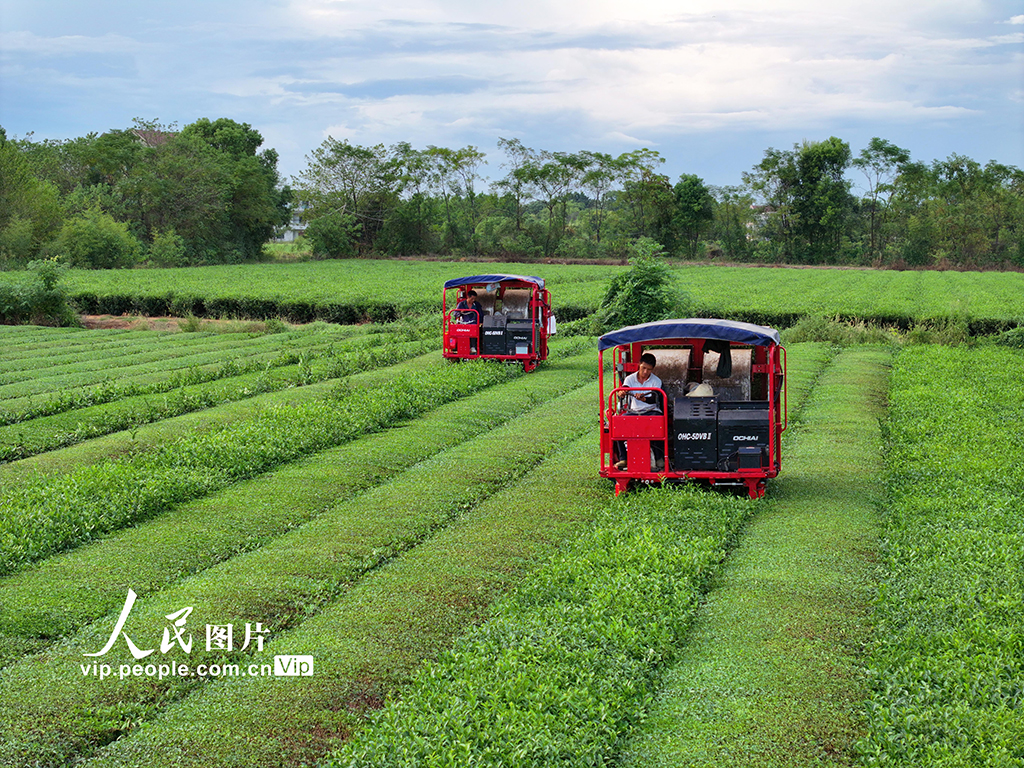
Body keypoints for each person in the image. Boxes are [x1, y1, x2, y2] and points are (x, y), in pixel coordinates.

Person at [614, 352, 664, 471]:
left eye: (649, 370)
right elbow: (625, 387)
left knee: (657, 423)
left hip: (651, 410)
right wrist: (622, 392)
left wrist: (644, 398)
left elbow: (654, 398)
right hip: (634, 411)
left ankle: (659, 458)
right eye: (644, 368)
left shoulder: (656, 381)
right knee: (618, 424)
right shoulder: (630, 378)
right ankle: (624, 458)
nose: (645, 372)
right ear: (639, 365)